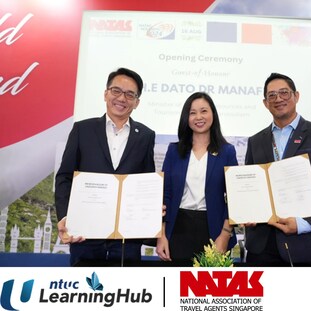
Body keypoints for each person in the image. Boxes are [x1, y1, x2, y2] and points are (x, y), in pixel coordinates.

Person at [55, 67, 156, 266]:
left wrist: (150, 207)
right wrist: (67, 217)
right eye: (116, 91)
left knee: (127, 293)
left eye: (130, 94)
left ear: (137, 102)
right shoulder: (82, 129)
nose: (122, 98)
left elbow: (146, 182)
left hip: (127, 238)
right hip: (85, 234)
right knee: (86, 293)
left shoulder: (145, 136)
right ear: (105, 93)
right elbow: (65, 177)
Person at [244, 72, 311, 266]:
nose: (278, 99)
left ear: (296, 96)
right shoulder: (256, 141)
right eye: (271, 95)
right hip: (262, 246)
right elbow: (250, 185)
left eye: (284, 93)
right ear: (265, 103)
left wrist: (304, 224)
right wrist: (247, 211)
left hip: (306, 244)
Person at [156, 92, 238, 266]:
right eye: (193, 113)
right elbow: (165, 195)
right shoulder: (174, 151)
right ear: (186, 118)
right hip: (177, 229)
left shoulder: (227, 152)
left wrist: (224, 235)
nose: (198, 117)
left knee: (209, 291)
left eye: (204, 111)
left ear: (213, 115)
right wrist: (161, 235)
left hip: (214, 230)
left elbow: (234, 198)